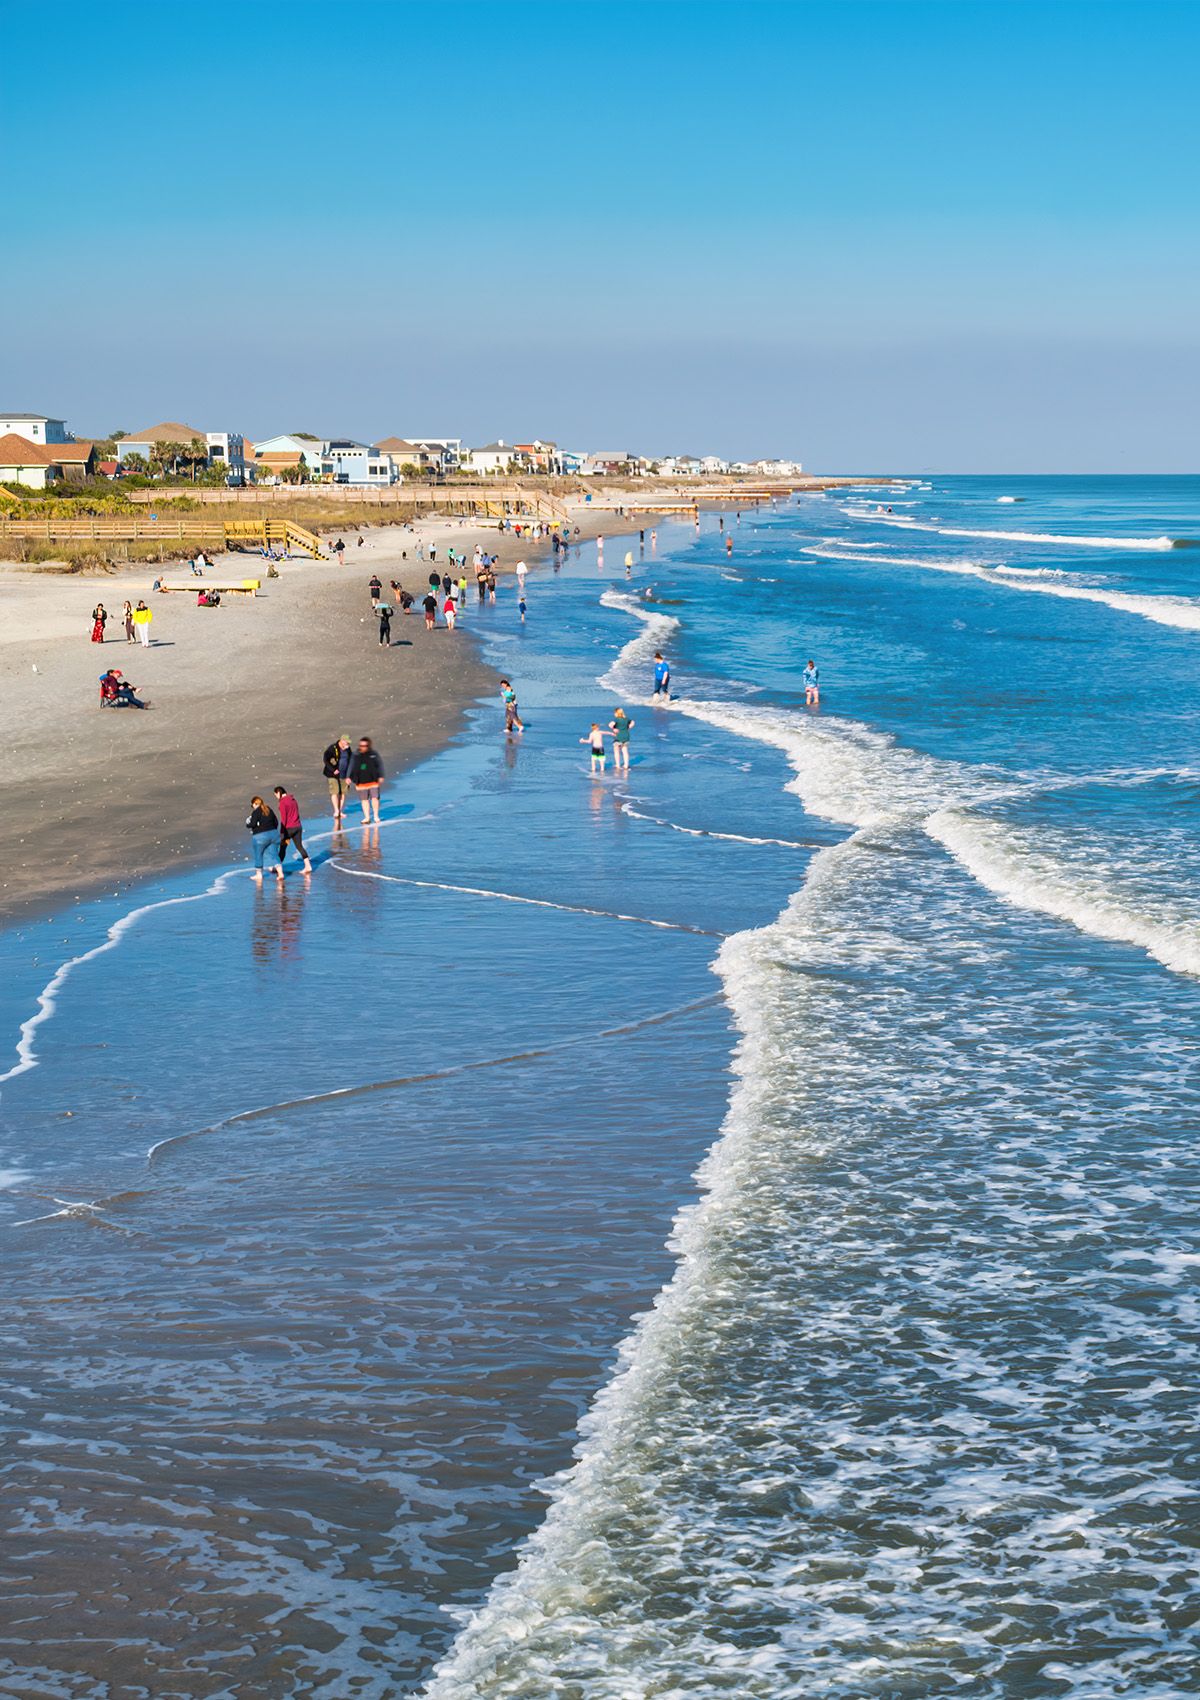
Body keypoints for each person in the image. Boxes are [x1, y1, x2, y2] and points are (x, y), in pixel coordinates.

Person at [273, 786, 312, 874]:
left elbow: (284, 819)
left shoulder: (282, 803)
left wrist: (282, 832)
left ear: (278, 793)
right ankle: (308, 866)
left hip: (288, 830)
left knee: (282, 848)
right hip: (298, 827)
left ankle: (277, 868)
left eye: (275, 795)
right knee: (299, 847)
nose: (276, 797)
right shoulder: (293, 800)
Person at [246, 795, 283, 883]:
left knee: (258, 854)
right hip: (274, 835)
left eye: (252, 805)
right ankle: (280, 873)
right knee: (274, 854)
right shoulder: (268, 809)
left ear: (255, 804)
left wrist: (248, 823)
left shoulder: (256, 812)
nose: (253, 807)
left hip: (260, 837)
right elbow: (276, 822)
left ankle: (259, 875)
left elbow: (252, 824)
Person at [349, 737, 384, 822]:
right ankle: (367, 817)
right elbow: (351, 766)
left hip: (373, 780)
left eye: (365, 745)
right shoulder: (356, 755)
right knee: (364, 800)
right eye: (361, 745)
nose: (363, 747)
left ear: (369, 745)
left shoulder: (373, 754)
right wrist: (349, 777)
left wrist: (381, 776)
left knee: (375, 798)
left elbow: (379, 765)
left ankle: (376, 816)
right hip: (360, 781)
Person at [323, 734, 351, 822]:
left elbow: (351, 761)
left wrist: (350, 775)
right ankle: (336, 810)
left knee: (343, 792)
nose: (348, 745)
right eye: (347, 742)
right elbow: (325, 759)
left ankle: (340, 811)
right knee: (335, 791)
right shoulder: (333, 748)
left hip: (344, 774)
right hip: (332, 774)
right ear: (342, 741)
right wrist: (333, 769)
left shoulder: (348, 749)